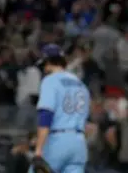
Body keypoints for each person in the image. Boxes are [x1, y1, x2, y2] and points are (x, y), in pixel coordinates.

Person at [32, 44, 90, 173]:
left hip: (57, 142)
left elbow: (46, 115)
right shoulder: (81, 85)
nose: (44, 69)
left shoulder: (50, 80)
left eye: (44, 65)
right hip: (79, 143)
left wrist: (38, 150)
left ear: (48, 62)